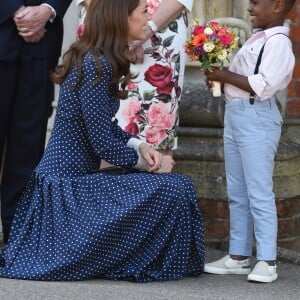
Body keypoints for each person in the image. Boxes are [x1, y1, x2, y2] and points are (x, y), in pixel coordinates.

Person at [0, 0, 205, 281]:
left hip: (74, 183)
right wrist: (149, 165)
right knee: (173, 188)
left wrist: (141, 147)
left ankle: (152, 258)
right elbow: (103, 145)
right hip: (65, 191)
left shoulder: (98, 60)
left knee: (176, 186)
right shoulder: (97, 66)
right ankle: (149, 260)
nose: (149, 18)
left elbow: (105, 129)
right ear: (121, 19)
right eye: (144, 12)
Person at [203, 0, 295, 283]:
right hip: (237, 114)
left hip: (258, 117)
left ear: (279, 5)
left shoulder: (279, 43)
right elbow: (238, 81)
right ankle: (239, 255)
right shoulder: (257, 39)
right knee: (238, 190)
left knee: (259, 190)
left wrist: (224, 75)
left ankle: (267, 260)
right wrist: (219, 82)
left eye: (256, 2)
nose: (250, 8)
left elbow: (264, 85)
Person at [0, 1, 72, 245]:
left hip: (44, 43)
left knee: (28, 145)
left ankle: (17, 237)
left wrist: (47, 10)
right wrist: (14, 10)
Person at [115, 0, 194, 155]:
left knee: (157, 127)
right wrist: (122, 30)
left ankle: (155, 176)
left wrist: (145, 31)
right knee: (110, 125)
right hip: (114, 24)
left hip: (164, 29)